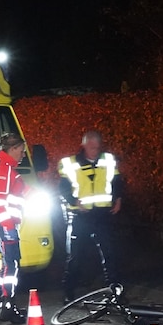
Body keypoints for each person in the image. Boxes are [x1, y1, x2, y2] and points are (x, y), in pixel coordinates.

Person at [58, 129, 125, 302]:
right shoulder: (69, 163)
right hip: (80, 216)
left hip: (102, 214)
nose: (95, 151)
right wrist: (74, 201)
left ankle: (115, 292)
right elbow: (63, 188)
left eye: (97, 147)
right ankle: (68, 292)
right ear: (84, 146)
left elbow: (117, 181)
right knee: (75, 256)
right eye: (91, 147)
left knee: (109, 254)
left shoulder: (108, 160)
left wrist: (118, 199)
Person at [0, 133, 30, 323]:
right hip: (4, 223)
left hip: (5, 222)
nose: (22, 155)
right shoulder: (3, 169)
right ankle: (8, 305)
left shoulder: (5, 167)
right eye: (21, 151)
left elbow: (18, 191)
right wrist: (8, 227)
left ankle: (4, 302)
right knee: (12, 264)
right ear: (12, 149)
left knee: (8, 264)